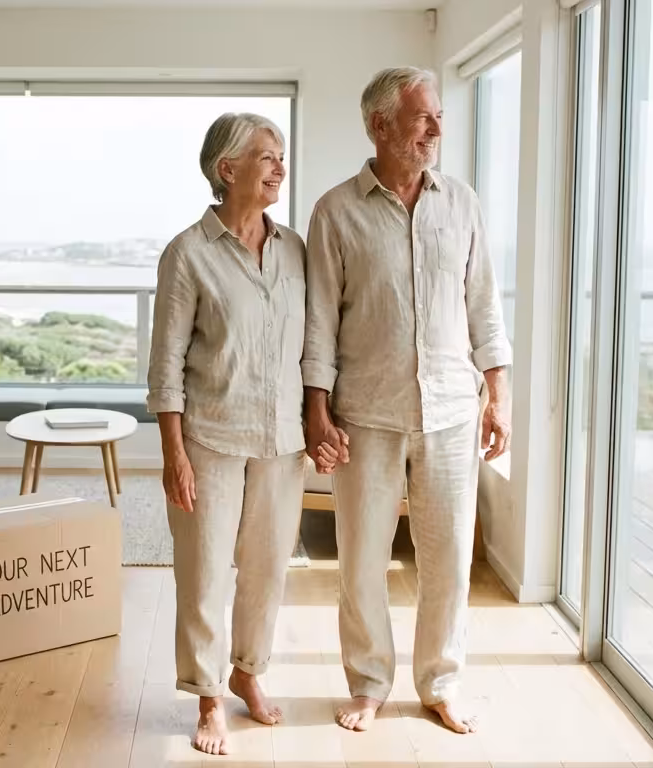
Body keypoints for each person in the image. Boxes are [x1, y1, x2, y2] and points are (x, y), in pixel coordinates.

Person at [302, 67, 513, 735]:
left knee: (448, 558)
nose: (437, 128)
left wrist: (498, 395)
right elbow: (318, 325)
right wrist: (317, 408)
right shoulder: (336, 210)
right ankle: (368, 683)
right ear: (381, 126)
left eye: (439, 116)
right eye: (424, 117)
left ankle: (440, 683)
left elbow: (485, 307)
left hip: (453, 409)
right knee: (361, 559)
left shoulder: (463, 204)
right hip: (365, 414)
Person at [146, 112, 308, 756]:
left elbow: (312, 343)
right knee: (205, 571)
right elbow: (165, 365)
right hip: (210, 438)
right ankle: (210, 695)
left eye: (281, 156)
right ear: (227, 169)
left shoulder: (294, 249)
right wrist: (173, 454)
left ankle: (249, 671)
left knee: (267, 569)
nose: (278, 166)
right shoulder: (187, 254)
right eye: (265, 156)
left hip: (282, 439)